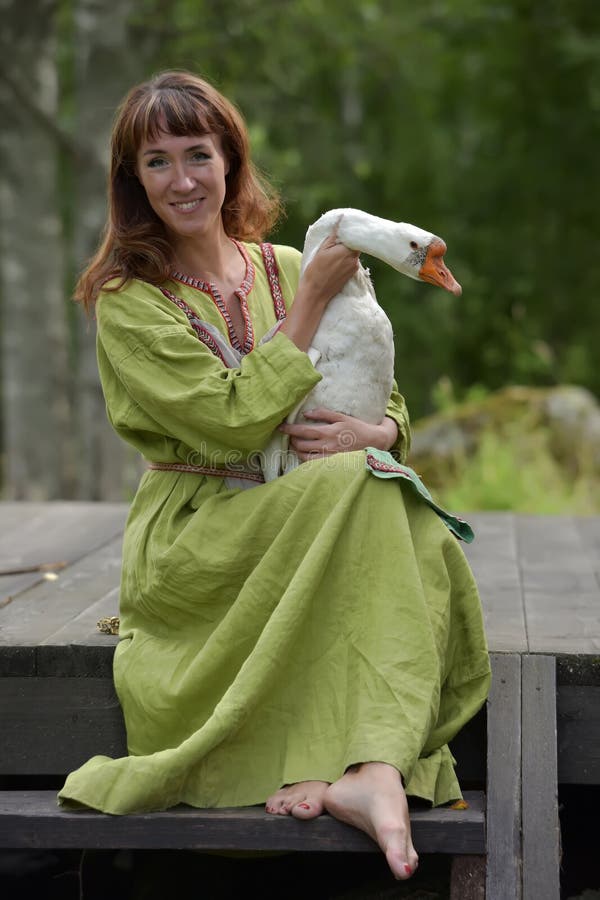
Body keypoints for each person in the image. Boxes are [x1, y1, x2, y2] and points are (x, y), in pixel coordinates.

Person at [58, 69, 491, 882]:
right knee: (369, 489)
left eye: (198, 154)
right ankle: (369, 763)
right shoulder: (129, 301)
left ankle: (368, 767)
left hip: (312, 502)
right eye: (157, 162)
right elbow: (228, 418)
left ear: (231, 161)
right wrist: (308, 308)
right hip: (200, 534)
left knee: (384, 492)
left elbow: (382, 387)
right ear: (132, 180)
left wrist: (381, 429)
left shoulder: (289, 262)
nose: (182, 180)